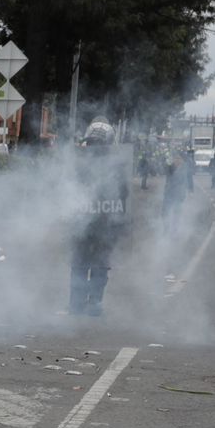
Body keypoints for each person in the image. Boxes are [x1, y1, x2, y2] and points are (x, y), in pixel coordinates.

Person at [66, 119, 128, 315]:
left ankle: (77, 304)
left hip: (84, 226)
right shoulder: (117, 167)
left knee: (81, 265)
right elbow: (123, 197)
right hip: (102, 227)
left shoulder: (79, 166)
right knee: (98, 266)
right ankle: (93, 304)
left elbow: (67, 194)